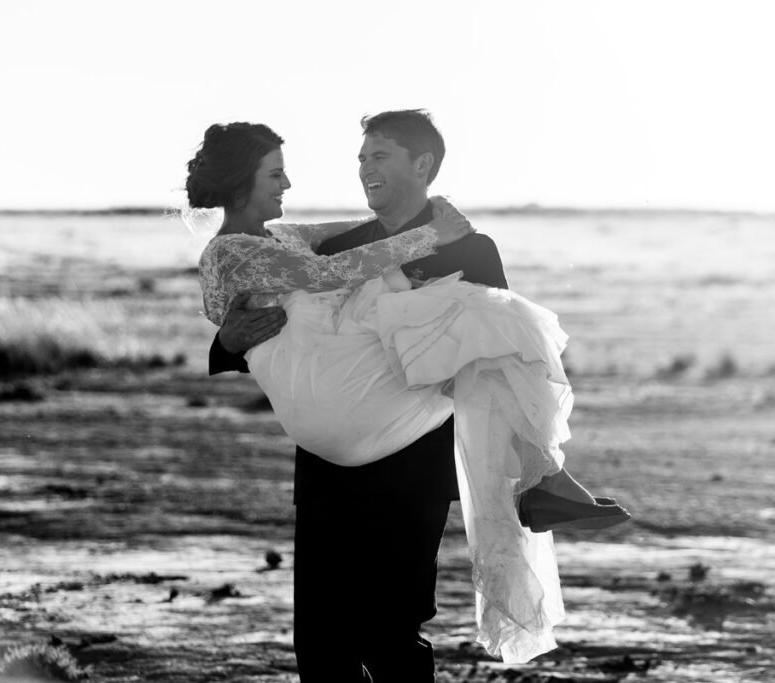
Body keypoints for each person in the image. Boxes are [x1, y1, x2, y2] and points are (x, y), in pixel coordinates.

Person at [198, 113, 628, 680]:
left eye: (379, 156)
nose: (363, 169)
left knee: (391, 632)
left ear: (423, 164)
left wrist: (434, 232)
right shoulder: (342, 247)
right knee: (322, 641)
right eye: (362, 158)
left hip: (412, 464)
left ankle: (541, 473)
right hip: (329, 470)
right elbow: (289, 318)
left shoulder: (472, 249)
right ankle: (544, 474)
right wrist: (226, 341)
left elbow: (491, 362)